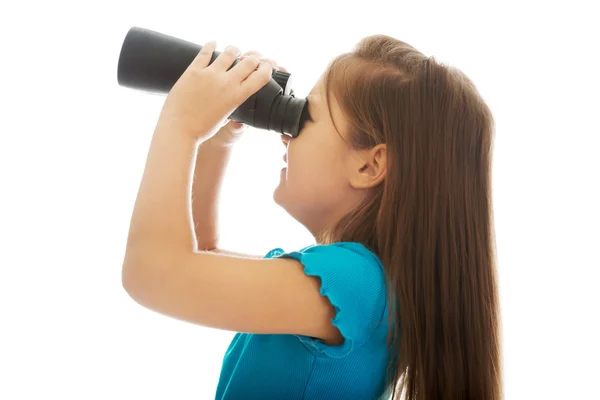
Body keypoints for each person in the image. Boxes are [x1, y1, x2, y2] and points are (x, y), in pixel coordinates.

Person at [122, 35, 502, 400]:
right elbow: (199, 258)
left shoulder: (355, 282)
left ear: (369, 165)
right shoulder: (358, 286)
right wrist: (221, 137)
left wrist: (181, 125)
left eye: (307, 116)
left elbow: (155, 274)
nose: (286, 135)